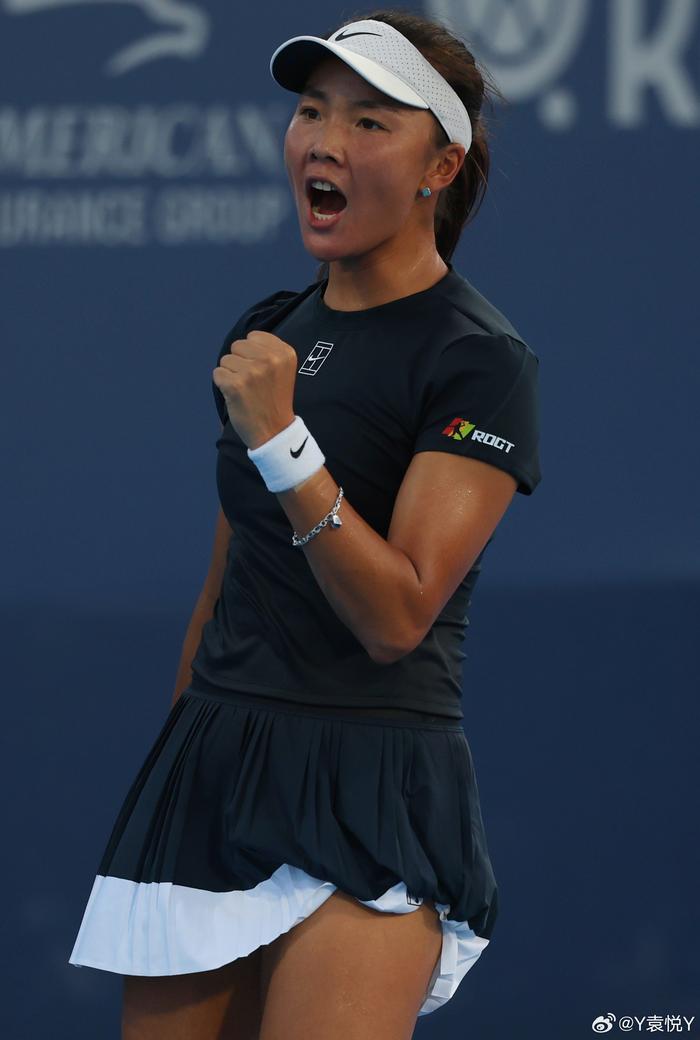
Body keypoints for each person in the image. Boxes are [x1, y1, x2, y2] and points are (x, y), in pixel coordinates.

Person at [68, 10, 542, 1040]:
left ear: (440, 166)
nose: (325, 141)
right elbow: (226, 587)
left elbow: (397, 617)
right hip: (214, 767)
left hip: (372, 783)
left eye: (370, 121)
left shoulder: (479, 361)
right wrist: (183, 769)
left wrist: (285, 441)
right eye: (312, 112)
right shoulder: (268, 330)